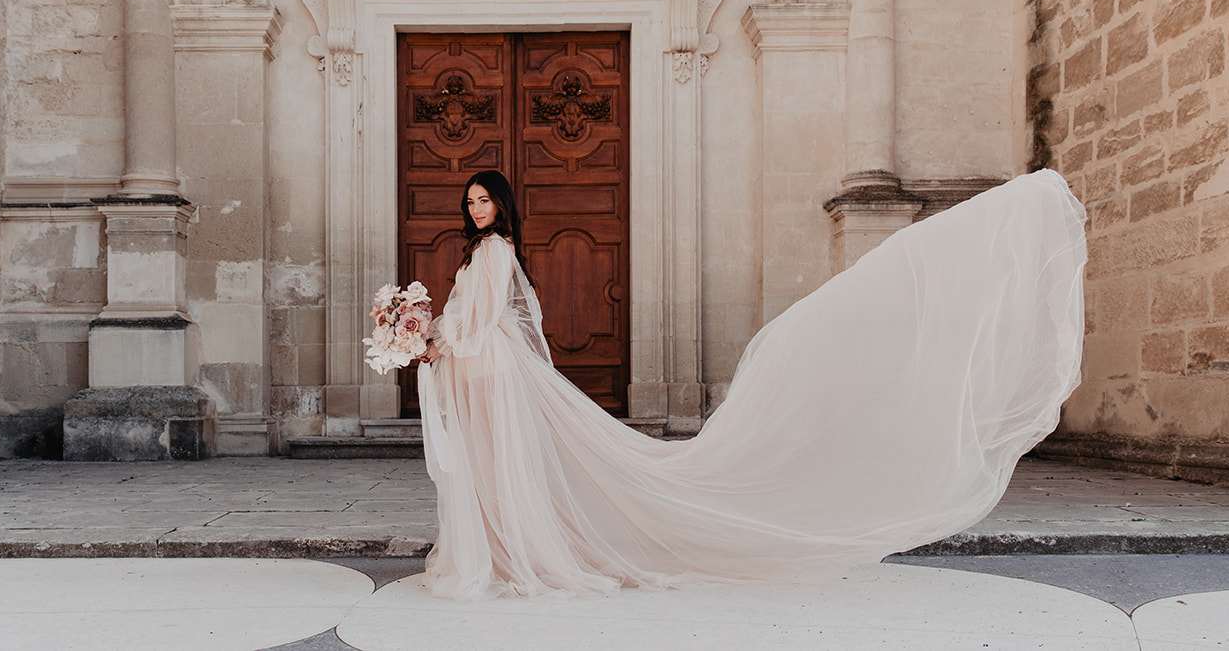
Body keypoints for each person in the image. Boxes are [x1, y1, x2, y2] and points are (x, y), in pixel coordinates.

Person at [415, 167, 1087, 601]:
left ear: (501, 203)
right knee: (492, 465)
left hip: (492, 370)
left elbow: (496, 318)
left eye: (484, 198)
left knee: (507, 462)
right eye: (470, 200)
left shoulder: (499, 251)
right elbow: (465, 317)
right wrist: (430, 337)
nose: (475, 208)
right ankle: (503, 549)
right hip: (479, 369)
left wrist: (445, 343)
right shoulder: (474, 253)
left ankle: (515, 553)